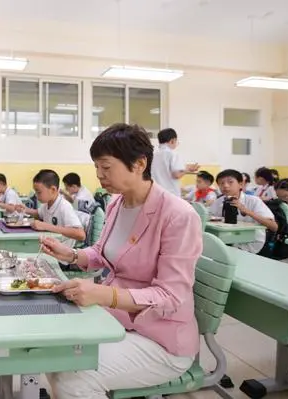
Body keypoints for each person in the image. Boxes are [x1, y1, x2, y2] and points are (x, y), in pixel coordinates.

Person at [40, 123, 201, 399]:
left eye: (106, 167)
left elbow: (170, 295)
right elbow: (103, 252)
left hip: (160, 339)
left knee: (72, 376)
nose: (99, 176)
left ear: (139, 164)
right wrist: (73, 255)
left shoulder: (178, 215)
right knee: (54, 348)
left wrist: (104, 294)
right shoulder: (117, 203)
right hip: (118, 321)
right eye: (96, 168)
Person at [16, 170, 85, 269]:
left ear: (53, 189)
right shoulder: (46, 204)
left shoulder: (64, 206)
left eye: (39, 192)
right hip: (50, 252)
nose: (36, 195)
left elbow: (80, 234)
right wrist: (25, 210)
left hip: (62, 258)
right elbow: (38, 214)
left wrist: (46, 226)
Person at [210, 169, 277, 254]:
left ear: (241, 184)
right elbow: (210, 218)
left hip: (250, 243)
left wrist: (247, 211)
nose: (225, 186)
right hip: (226, 241)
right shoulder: (219, 201)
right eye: (221, 183)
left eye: (230, 182)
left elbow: (274, 227)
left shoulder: (253, 200)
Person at [151, 128, 199, 196]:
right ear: (172, 141)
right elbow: (176, 174)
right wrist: (188, 170)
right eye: (176, 141)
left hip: (155, 193)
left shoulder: (154, 155)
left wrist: (185, 167)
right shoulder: (173, 154)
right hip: (170, 193)